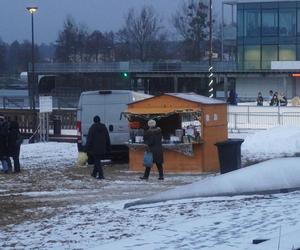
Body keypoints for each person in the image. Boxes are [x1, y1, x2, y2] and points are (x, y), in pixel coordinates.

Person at [86, 115, 111, 179]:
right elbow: (107, 137)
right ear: (99, 120)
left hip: (94, 148)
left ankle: (101, 175)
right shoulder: (104, 127)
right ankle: (94, 174)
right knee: (97, 160)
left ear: (94, 121)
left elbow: (89, 138)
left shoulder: (92, 128)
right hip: (102, 147)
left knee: (97, 161)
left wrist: (86, 147)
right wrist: (108, 146)